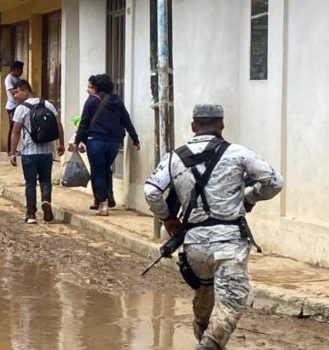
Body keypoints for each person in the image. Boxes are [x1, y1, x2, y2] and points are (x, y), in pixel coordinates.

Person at [143, 104, 283, 350]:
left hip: (194, 245)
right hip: (228, 243)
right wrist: (249, 198)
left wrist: (167, 218)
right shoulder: (237, 153)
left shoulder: (174, 157)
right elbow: (274, 181)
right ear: (222, 125)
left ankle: (206, 337)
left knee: (205, 294)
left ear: (193, 127)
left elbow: (151, 191)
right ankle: (208, 343)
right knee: (231, 304)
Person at [69, 74, 140, 216]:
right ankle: (109, 194)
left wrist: (77, 141)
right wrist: (135, 138)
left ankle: (103, 203)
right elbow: (126, 121)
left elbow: (84, 124)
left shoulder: (91, 101)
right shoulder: (117, 101)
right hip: (114, 143)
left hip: (95, 141)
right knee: (106, 168)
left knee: (98, 171)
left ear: (97, 86)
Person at [8, 80, 65, 224]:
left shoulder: (21, 109)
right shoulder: (48, 104)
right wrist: (61, 144)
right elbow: (59, 125)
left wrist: (12, 152)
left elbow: (15, 132)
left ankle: (31, 214)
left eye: (17, 92)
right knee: (46, 181)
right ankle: (46, 202)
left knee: (30, 183)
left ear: (26, 91)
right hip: (47, 152)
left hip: (29, 153)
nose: (15, 96)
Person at [5, 61, 24, 153]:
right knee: (13, 127)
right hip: (12, 106)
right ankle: (10, 149)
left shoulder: (17, 79)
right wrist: (21, 91)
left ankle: (17, 147)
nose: (21, 72)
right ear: (15, 69)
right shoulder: (9, 79)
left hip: (18, 105)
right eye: (20, 69)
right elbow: (12, 91)